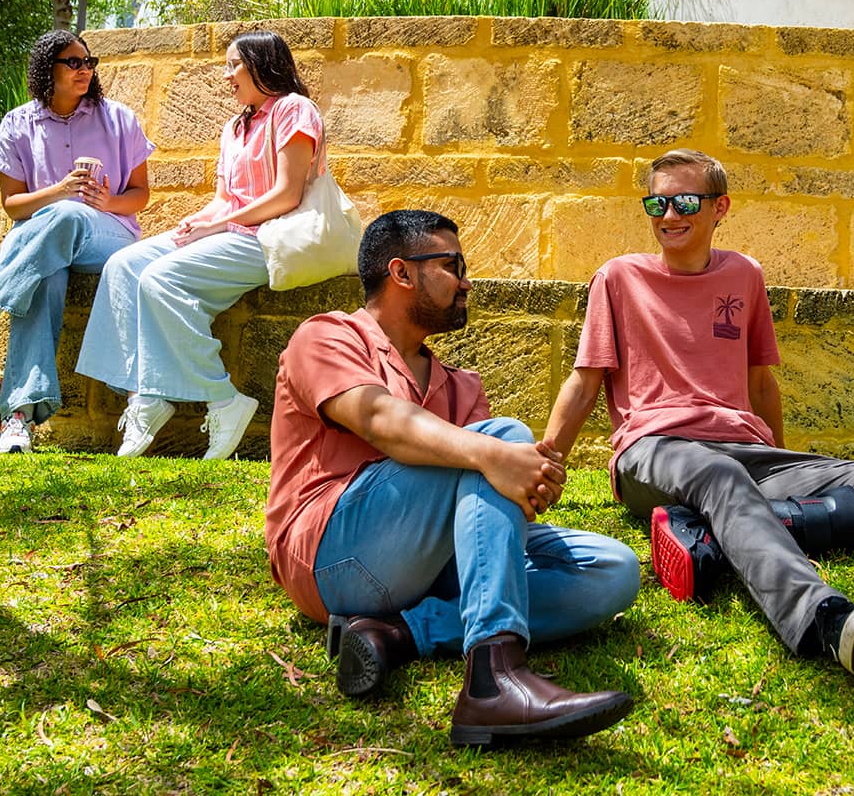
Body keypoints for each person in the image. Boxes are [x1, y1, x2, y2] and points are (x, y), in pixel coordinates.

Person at [543, 148, 854, 681]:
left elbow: (759, 382)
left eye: (684, 201)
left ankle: (710, 534)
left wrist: (776, 455)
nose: (669, 215)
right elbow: (585, 381)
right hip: (655, 448)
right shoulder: (618, 278)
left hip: (746, 450)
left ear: (719, 206)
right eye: (656, 203)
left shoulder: (745, 275)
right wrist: (546, 463)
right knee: (720, 476)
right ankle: (823, 618)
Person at [267, 209, 637, 747]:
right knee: (500, 439)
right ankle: (493, 679)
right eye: (453, 265)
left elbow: (480, 513)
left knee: (612, 570)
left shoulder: (461, 387)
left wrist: (529, 486)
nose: (467, 281)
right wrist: (500, 455)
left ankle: (397, 634)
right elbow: (380, 421)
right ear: (401, 273)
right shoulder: (327, 336)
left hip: (425, 565)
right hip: (333, 557)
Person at [75, 29, 322, 459]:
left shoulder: (294, 110)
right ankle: (145, 398)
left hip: (269, 238)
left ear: (263, 64)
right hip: (230, 230)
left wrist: (218, 225)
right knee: (124, 264)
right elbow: (224, 200)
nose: (227, 76)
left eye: (234, 65)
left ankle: (224, 400)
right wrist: (199, 222)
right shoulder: (235, 126)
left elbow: (287, 195)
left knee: (158, 279)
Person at [0, 30, 153, 454]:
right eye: (74, 62)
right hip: (45, 242)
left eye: (90, 62)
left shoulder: (118, 118)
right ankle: (18, 419)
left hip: (109, 237)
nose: (85, 69)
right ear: (46, 69)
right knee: (44, 275)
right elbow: (14, 206)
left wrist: (107, 200)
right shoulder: (17, 123)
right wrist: (60, 189)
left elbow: (141, 194)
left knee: (67, 216)